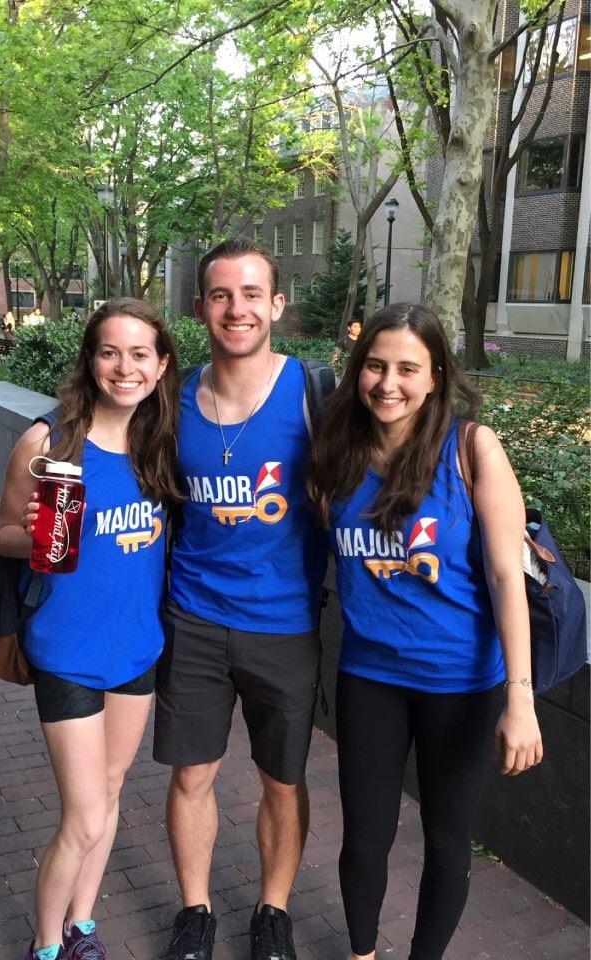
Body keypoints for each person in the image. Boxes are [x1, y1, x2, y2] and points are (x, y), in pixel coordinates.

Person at [308, 302, 543, 960]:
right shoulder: (337, 452)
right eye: (376, 366)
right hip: (369, 677)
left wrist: (520, 701)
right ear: (358, 369)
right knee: (364, 838)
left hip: (460, 685)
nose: (389, 383)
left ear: (436, 374)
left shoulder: (471, 450)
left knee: (446, 839)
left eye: (408, 368)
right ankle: (361, 954)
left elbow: (505, 577)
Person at [155, 238, 329, 960]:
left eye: (252, 293)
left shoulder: (315, 394)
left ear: (276, 305)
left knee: (281, 780)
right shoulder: (170, 400)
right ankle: (195, 912)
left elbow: (396, 454)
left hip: (284, 624)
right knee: (192, 774)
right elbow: (97, 430)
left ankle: (273, 912)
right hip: (192, 616)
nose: (237, 308)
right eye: (222, 295)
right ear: (200, 308)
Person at [0, 298, 181, 960]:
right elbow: (2, 534)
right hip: (66, 651)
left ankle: (81, 928)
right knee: (86, 814)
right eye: (109, 351)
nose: (123, 367)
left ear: (160, 366)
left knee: (110, 790)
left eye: (138, 354)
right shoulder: (49, 443)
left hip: (137, 648)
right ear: (90, 361)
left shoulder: (162, 446)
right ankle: (45, 947)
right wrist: (41, 536)